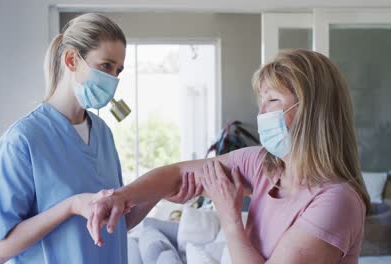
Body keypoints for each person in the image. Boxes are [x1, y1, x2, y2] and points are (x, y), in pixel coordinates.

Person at [88, 49, 370, 263]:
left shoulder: (336, 201)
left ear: (313, 110)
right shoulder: (261, 165)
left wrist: (229, 215)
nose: (261, 114)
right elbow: (176, 174)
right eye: (261, 101)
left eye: (272, 100)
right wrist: (122, 198)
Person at [0, 13, 198, 264]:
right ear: (72, 59)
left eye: (118, 70)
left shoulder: (102, 133)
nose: (113, 79)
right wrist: (70, 206)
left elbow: (116, 223)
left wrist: (158, 190)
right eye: (106, 66)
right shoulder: (22, 140)